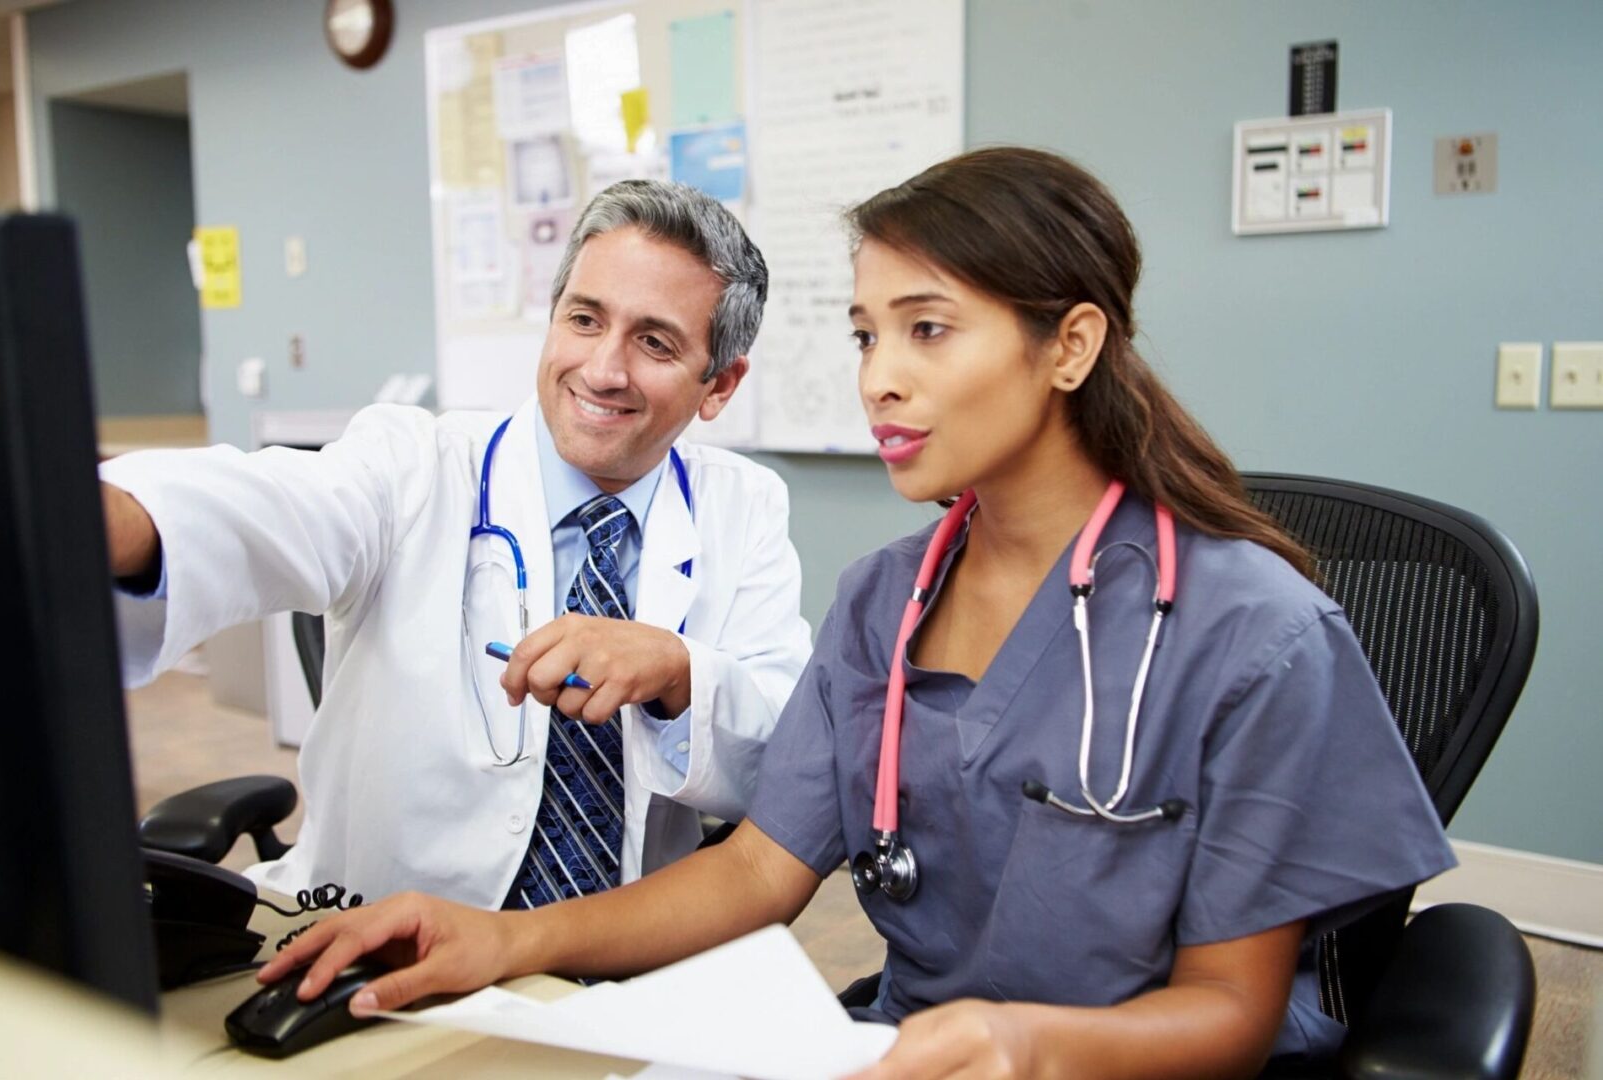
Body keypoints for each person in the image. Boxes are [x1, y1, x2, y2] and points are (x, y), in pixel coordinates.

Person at [260, 148, 1455, 1076]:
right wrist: (504, 942)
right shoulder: (888, 600)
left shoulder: (1256, 632)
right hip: (904, 1050)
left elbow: (1233, 1019)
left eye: (928, 329)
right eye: (867, 334)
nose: (879, 376)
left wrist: (1028, 1050)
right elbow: (756, 878)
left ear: (1071, 345)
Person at [102, 180, 812, 910]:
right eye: (584, 319)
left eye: (654, 342)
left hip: (617, 958)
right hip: (385, 938)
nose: (603, 369)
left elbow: (781, 751)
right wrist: (107, 518)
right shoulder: (413, 462)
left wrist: (677, 673)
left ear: (720, 383)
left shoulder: (744, 506)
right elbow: (263, 508)